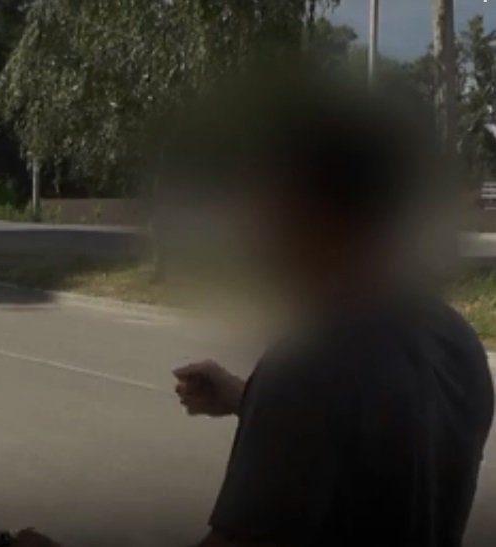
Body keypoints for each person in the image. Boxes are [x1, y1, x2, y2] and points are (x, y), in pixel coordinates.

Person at [172, 85, 495, 546]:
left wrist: (273, 402)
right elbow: (382, 444)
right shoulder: (458, 343)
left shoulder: (308, 367)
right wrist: (248, 398)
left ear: (316, 212)